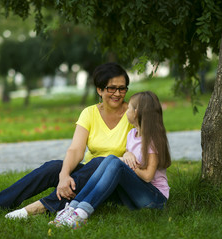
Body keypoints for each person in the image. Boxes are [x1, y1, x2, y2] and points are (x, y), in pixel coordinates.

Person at [0, 62, 134, 219]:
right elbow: (75, 150)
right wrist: (64, 176)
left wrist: (129, 153)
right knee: (53, 167)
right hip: (88, 177)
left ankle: (37, 208)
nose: (117, 93)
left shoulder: (134, 114)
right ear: (100, 90)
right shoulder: (90, 113)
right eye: (111, 88)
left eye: (122, 88)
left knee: (102, 162)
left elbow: (144, 149)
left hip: (117, 183)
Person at [50, 91, 172, 229]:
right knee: (111, 159)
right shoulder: (132, 134)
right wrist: (126, 155)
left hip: (154, 199)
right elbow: (130, 156)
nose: (126, 110)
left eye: (129, 108)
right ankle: (72, 208)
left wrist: (126, 164)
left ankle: (81, 213)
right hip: (134, 197)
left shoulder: (152, 140)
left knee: (115, 162)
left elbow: (148, 176)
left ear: (136, 112)